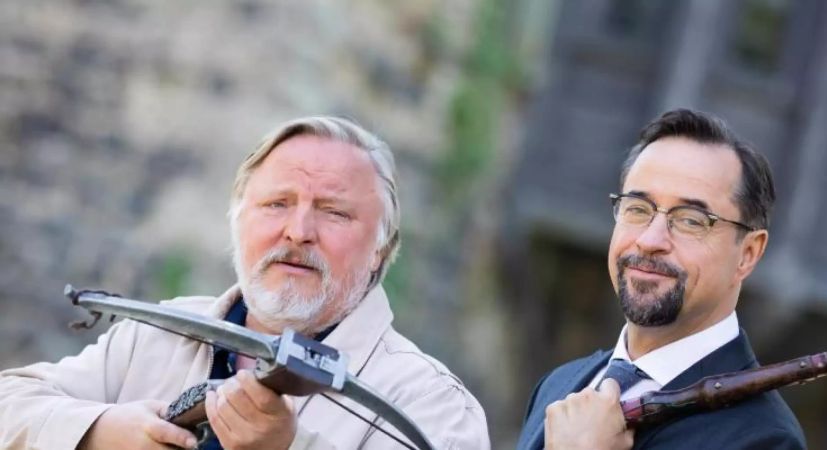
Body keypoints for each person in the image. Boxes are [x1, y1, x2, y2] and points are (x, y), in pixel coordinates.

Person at [0, 117, 491, 450]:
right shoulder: (158, 331)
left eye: (335, 212)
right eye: (276, 204)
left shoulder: (432, 403)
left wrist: (289, 447)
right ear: (237, 220)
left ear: (382, 248)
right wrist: (101, 431)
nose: (298, 231)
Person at [516, 109, 807, 450]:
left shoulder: (766, 440)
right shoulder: (557, 386)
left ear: (748, 254)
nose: (650, 240)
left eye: (691, 220)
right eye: (638, 208)